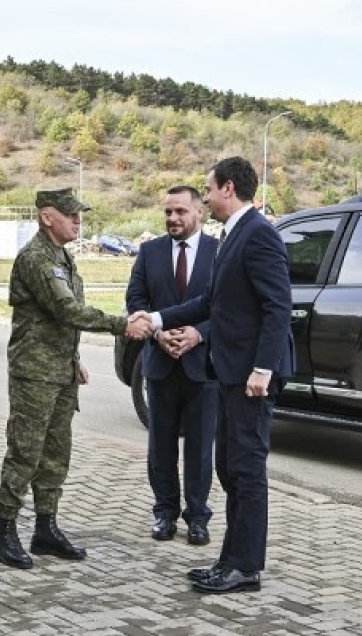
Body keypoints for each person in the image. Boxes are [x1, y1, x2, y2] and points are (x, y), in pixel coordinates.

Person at [132, 156, 294, 594]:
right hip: (230, 373)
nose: (204, 196)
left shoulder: (259, 234)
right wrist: (158, 317)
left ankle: (245, 567)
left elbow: (278, 306)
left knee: (245, 470)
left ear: (227, 188)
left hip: (250, 377)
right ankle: (231, 560)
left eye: (207, 189)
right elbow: (210, 302)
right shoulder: (233, 234)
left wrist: (263, 367)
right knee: (229, 468)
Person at [0, 188, 151, 570]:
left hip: (60, 370)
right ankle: (5, 532)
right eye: (70, 214)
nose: (78, 220)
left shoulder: (61, 256)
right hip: (34, 373)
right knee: (25, 451)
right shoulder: (36, 258)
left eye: (79, 214)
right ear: (47, 217)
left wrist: (75, 357)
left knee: (56, 453)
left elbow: (58, 321)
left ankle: (45, 528)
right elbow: (66, 309)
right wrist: (121, 324)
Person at [125, 186, 218, 546]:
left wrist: (199, 333)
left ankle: (198, 517)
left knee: (199, 448)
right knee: (160, 446)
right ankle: (164, 513)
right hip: (160, 364)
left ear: (199, 213)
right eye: (168, 212)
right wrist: (157, 333)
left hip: (202, 365)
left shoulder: (218, 253)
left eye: (180, 211)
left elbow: (225, 308)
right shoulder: (149, 252)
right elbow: (135, 299)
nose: (172, 219)